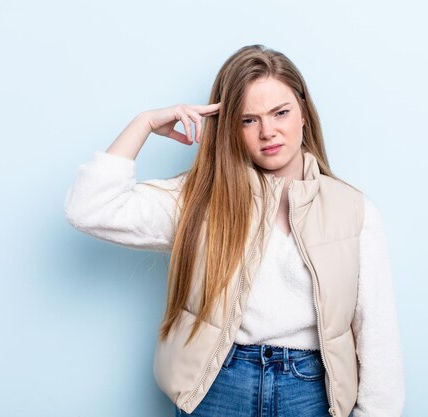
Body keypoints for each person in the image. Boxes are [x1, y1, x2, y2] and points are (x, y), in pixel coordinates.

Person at [64, 44, 405, 417]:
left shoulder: (354, 210)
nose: (267, 132)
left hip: (310, 390)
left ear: (304, 114)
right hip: (219, 385)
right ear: (230, 128)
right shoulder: (198, 200)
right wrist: (143, 123)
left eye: (280, 113)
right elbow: (89, 209)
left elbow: (377, 336)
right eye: (248, 120)